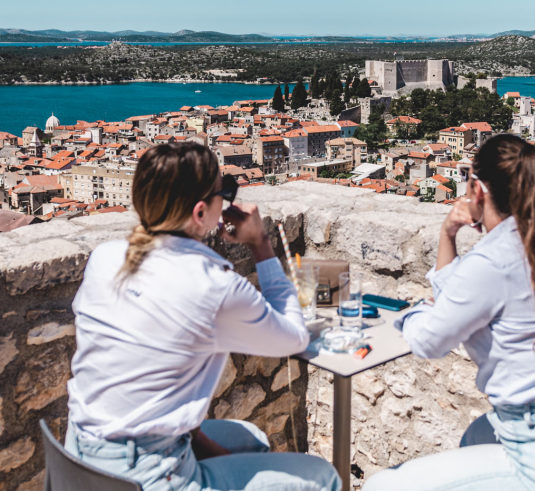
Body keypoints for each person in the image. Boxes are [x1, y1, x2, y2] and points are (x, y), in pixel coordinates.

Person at [364, 134, 535, 491]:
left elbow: (429, 342)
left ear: (478, 190)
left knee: (382, 486)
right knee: (476, 436)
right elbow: (462, 296)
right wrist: (448, 234)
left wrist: (413, 312)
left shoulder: (492, 261)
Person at [65, 142, 340, 491]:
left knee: (252, 439)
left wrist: (207, 448)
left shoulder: (105, 258)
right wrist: (260, 243)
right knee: (322, 476)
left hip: (79, 456)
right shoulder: (213, 284)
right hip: (148, 474)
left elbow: (155, 381)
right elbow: (294, 338)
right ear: (200, 213)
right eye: (224, 193)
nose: (226, 201)